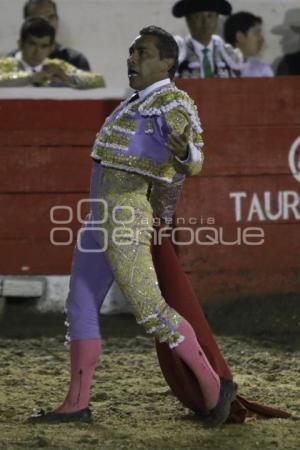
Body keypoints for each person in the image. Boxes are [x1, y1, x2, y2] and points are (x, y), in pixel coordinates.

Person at [29, 25, 238, 427]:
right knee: (81, 305)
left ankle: (215, 389)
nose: (132, 59)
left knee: (151, 310)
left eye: (142, 53)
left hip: (126, 215)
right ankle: (76, 403)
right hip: (99, 218)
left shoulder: (173, 103)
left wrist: (184, 153)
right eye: (131, 52)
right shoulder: (132, 104)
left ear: (166, 62)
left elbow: (193, 159)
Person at [0, 18, 105, 88]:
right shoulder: (4, 64)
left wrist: (68, 78)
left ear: (51, 48)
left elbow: (99, 81)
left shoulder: (57, 66)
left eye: (43, 46)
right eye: (32, 44)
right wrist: (31, 77)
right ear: (20, 44)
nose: (38, 51)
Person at [8, 0, 91, 71]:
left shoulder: (75, 60)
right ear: (27, 22)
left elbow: (94, 86)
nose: (47, 22)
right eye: (38, 18)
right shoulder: (11, 61)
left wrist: (69, 80)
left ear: (57, 20)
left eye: (51, 17)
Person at [172, 0, 242, 78]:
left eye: (210, 16)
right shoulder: (177, 56)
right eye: (198, 17)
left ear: (217, 19)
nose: (205, 22)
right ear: (188, 20)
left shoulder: (229, 54)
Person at [224, 12, 273, 77]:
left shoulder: (262, 71)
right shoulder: (217, 69)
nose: (261, 40)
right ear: (240, 37)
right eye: (256, 33)